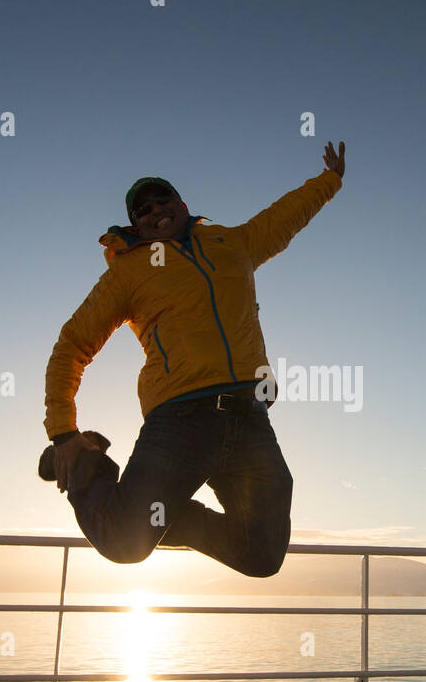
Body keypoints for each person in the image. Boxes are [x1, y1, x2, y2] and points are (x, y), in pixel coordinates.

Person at [40, 141, 346, 577]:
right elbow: (72, 345)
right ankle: (90, 462)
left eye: (162, 199)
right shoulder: (128, 272)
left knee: (262, 556)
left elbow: (284, 216)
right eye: (142, 210)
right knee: (125, 541)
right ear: (136, 225)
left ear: (182, 203)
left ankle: (166, 514)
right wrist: (63, 433)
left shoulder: (232, 243)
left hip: (249, 419)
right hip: (180, 420)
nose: (154, 210)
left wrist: (329, 181)